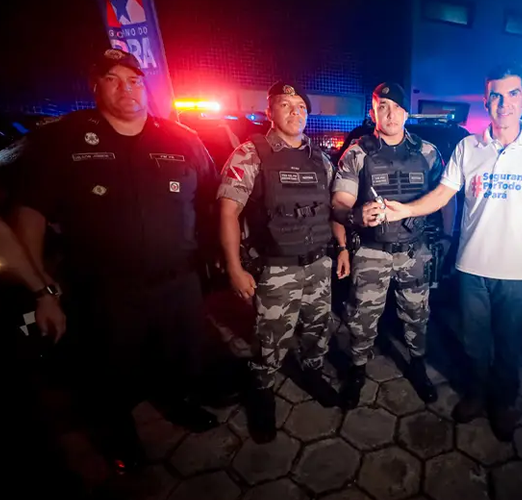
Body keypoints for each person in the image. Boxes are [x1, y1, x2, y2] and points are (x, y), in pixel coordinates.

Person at [11, 48, 221, 470]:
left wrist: (218, 260)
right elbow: (29, 212)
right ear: (96, 87)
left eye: (134, 80)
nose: (126, 88)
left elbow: (211, 200)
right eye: (113, 79)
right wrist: (42, 291)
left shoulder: (181, 138)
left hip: (177, 282)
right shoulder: (62, 139)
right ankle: (118, 436)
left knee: (178, 354)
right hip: (105, 288)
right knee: (109, 369)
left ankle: (176, 401)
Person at [380, 63, 522, 441]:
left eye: (512, 94)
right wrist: (403, 210)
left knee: (509, 345)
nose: (504, 103)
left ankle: (504, 402)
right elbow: (442, 194)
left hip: (519, 272)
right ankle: (476, 393)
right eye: (496, 95)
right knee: (473, 341)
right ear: (486, 100)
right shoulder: (469, 147)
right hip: (472, 268)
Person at [218, 81, 339, 443]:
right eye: (285, 105)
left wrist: (343, 248)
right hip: (275, 268)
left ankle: (312, 371)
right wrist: (234, 268)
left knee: (318, 328)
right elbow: (228, 212)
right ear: (269, 111)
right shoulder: (250, 154)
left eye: (301, 106)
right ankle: (262, 389)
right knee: (271, 337)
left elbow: (333, 208)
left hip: (319, 264)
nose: (295, 112)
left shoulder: (320, 159)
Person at [331, 82, 453, 409]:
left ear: (406, 113)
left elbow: (446, 196)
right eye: (382, 107)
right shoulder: (357, 153)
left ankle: (417, 364)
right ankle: (358, 369)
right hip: (372, 251)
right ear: (373, 112)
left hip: (415, 249)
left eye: (397, 108)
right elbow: (339, 202)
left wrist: (447, 236)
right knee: (362, 315)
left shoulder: (428, 153)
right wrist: (355, 214)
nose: (390, 114)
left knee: (417, 313)